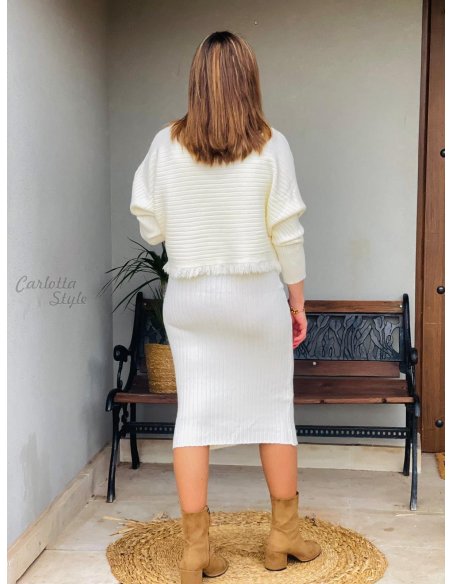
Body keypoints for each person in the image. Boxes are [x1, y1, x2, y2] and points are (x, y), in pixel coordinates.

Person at [130, 30, 321, 584]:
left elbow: (150, 225)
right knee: (274, 411)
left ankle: (197, 552)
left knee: (193, 418)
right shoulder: (271, 143)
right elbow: (287, 233)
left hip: (190, 299)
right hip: (255, 297)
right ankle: (283, 536)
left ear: (197, 81)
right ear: (249, 80)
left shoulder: (165, 144)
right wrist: (297, 302)